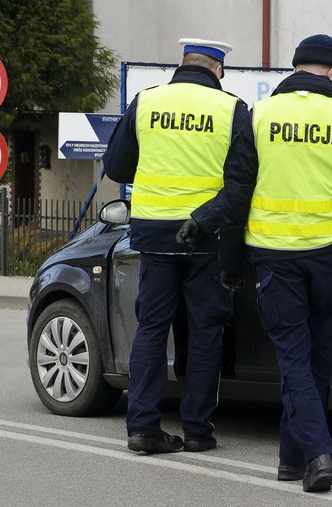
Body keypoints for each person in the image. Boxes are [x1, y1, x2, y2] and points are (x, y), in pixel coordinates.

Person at [219, 34, 332, 492]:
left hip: (275, 260)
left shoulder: (261, 115)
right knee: (315, 360)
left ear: (295, 70)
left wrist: (230, 263)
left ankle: (300, 456)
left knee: (294, 359)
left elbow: (236, 197)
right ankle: (307, 455)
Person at [103, 37, 252, 454]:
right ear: (218, 69)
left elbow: (115, 166)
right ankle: (198, 431)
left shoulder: (147, 102)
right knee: (206, 332)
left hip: (152, 234)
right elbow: (242, 183)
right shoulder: (231, 109)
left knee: (151, 328)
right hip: (205, 237)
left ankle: (143, 428)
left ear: (182, 63)